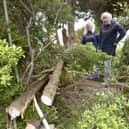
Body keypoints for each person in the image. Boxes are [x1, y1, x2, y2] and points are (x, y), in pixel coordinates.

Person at [99, 12, 126, 85]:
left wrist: (116, 41)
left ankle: (107, 81)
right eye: (103, 18)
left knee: (107, 64)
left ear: (110, 18)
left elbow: (123, 33)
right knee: (104, 64)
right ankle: (110, 79)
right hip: (102, 47)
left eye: (106, 18)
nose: (105, 20)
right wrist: (99, 46)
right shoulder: (102, 26)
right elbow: (100, 37)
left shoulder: (115, 25)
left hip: (110, 47)